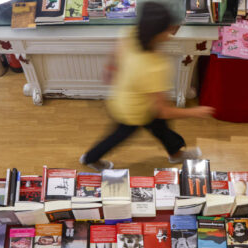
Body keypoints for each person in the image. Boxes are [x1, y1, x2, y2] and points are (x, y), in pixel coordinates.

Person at [79, 2, 214, 171]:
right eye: (169, 29)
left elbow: (115, 54)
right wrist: (194, 112)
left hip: (127, 97)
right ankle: (90, 158)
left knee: (162, 129)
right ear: (157, 33)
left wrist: (110, 69)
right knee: (118, 137)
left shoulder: (131, 33)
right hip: (133, 112)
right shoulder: (153, 67)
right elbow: (162, 111)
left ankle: (175, 154)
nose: (173, 31)